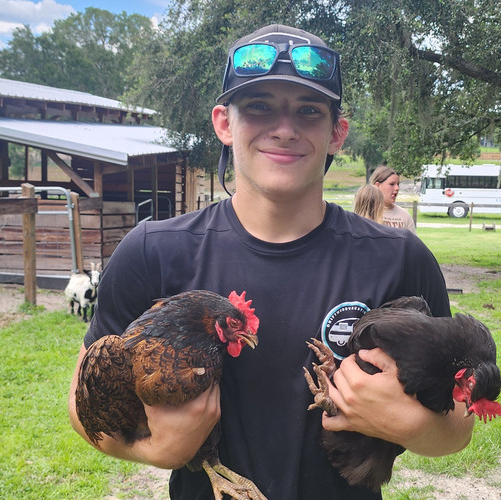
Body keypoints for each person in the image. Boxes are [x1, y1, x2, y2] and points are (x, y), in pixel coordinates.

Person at [67, 24, 474, 500]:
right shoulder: (151, 251)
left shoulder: (400, 258)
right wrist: (156, 451)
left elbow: (459, 425)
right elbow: (83, 404)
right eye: (259, 107)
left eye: (308, 111)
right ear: (223, 123)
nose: (284, 128)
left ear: (337, 132)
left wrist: (414, 427)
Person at [370, 165, 416, 233]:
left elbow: (413, 242)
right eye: (392, 184)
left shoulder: (405, 215)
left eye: (398, 184)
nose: (397, 188)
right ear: (377, 186)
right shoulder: (367, 212)